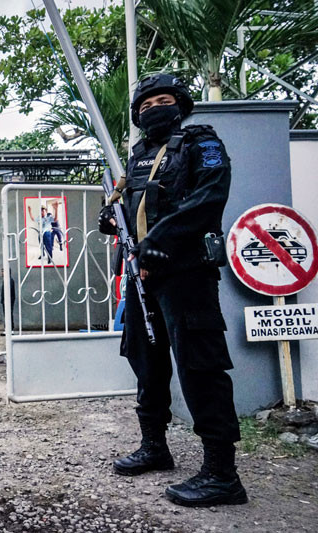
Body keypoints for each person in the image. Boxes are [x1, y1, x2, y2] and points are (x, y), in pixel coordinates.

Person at [98, 74, 246, 507]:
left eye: (162, 100)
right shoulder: (138, 156)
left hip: (185, 274)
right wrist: (110, 219)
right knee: (147, 362)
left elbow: (209, 198)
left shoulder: (201, 142)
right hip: (141, 276)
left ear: (180, 104)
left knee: (200, 368)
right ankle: (154, 446)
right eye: (145, 105)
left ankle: (222, 474)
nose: (153, 109)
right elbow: (126, 210)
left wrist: (158, 241)